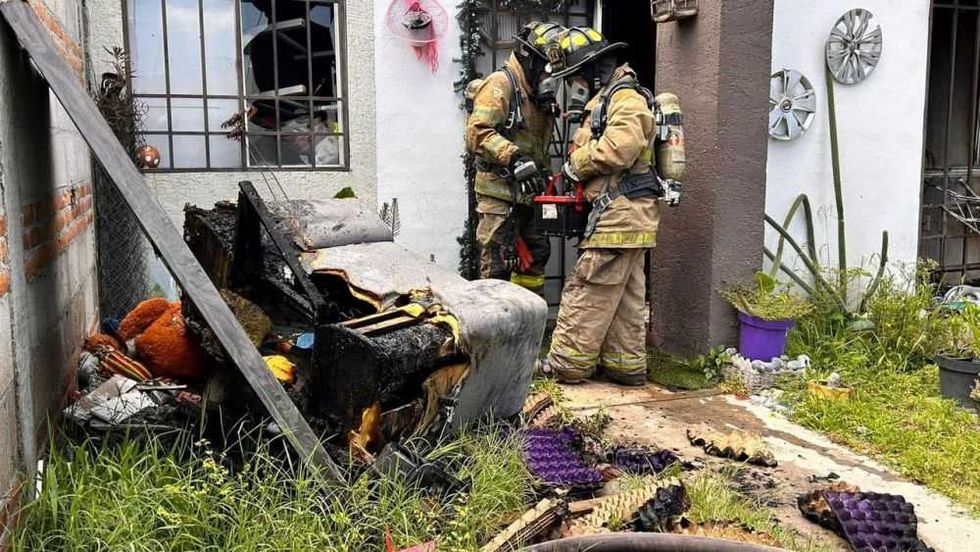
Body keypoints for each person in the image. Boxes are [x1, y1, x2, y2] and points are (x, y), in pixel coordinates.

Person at [542, 27, 678, 386]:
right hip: (628, 216)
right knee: (626, 298)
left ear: (594, 69)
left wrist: (577, 164)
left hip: (619, 214)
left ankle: (565, 364)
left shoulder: (625, 99)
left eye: (577, 76)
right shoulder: (611, 98)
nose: (576, 85)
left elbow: (622, 146)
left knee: (589, 287)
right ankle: (625, 366)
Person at [464, 22, 564, 295]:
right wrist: (514, 158)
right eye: (545, 65)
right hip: (499, 196)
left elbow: (539, 147)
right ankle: (494, 332)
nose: (550, 75)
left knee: (535, 259)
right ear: (527, 55)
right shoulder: (501, 84)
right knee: (497, 265)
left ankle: (529, 326)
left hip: (530, 197)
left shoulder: (536, 94)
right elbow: (477, 132)